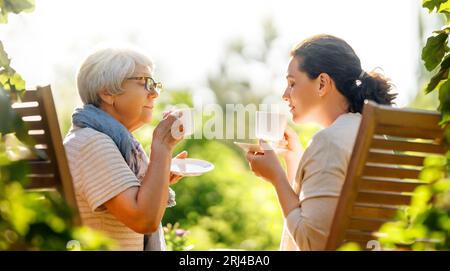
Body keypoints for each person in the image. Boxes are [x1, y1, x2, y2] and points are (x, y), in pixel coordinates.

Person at [246, 34, 396, 250]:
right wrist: (294, 161)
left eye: (292, 83)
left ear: (322, 83)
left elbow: (313, 243)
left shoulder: (329, 142)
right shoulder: (371, 135)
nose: (284, 94)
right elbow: (326, 214)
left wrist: (277, 179)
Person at [64, 47, 186, 250]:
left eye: (155, 84)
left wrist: (159, 175)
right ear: (107, 92)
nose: (154, 93)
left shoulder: (99, 141)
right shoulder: (92, 144)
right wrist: (162, 146)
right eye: (145, 82)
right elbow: (143, 220)